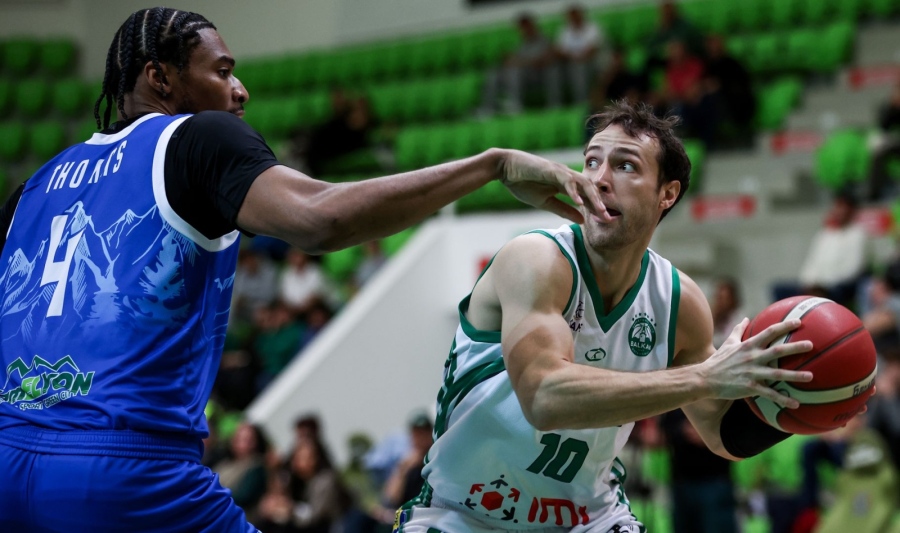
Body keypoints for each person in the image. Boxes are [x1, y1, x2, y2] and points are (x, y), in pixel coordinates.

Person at [0, 7, 600, 532]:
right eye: (222, 71)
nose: (240, 91)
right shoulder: (195, 139)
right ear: (160, 78)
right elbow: (322, 219)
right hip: (123, 473)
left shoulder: (35, 186)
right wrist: (491, 165)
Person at [394, 101, 817, 532]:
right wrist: (704, 377)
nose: (597, 179)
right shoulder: (536, 259)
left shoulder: (678, 301)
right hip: (465, 513)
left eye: (625, 166)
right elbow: (544, 398)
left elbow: (722, 432)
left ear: (667, 194)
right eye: (592, 161)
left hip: (588, 519)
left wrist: (809, 395)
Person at [480, 13, 563, 114]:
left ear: (533, 26)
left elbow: (539, 61)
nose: (524, 30)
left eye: (526, 27)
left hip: (536, 75)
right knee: (493, 73)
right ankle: (488, 108)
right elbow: (513, 59)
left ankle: (516, 105)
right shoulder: (522, 44)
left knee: (514, 71)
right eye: (522, 28)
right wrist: (510, 60)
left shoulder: (544, 41)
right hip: (521, 74)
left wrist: (519, 62)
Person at [556, 5, 606, 104]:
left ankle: (582, 101)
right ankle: (558, 103)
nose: (573, 19)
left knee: (580, 68)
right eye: (571, 17)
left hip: (592, 60)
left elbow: (594, 48)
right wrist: (572, 57)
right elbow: (559, 50)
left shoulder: (592, 27)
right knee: (557, 69)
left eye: (575, 16)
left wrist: (581, 57)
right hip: (571, 62)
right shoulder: (565, 31)